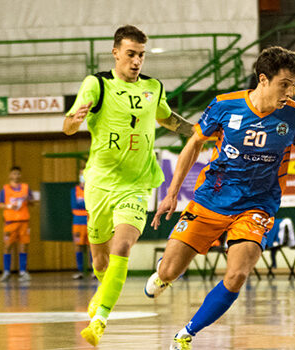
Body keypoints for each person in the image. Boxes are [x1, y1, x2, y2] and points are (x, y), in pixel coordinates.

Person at [143, 46, 295, 350]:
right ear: (263, 79)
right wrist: (172, 193)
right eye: (285, 84)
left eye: (293, 84)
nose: (290, 91)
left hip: (257, 205)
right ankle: (164, 274)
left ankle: (187, 333)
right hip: (211, 199)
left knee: (237, 274)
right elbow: (192, 146)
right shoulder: (225, 106)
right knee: (169, 271)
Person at [63, 25, 194, 346]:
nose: (136, 61)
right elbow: (67, 126)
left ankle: (100, 318)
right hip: (99, 184)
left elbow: (168, 118)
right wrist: (73, 121)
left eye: (141, 55)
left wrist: (200, 131)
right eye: (131, 54)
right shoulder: (97, 84)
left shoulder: (154, 87)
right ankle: (100, 292)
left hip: (136, 184)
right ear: (116, 53)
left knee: (121, 246)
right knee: (100, 261)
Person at [0, 166, 37, 282]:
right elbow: (0, 204)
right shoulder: (5, 189)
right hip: (10, 222)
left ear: (20, 175)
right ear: (10, 175)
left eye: (18, 174)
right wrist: (10, 206)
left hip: (24, 222)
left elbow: (32, 202)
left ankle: (23, 271)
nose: (16, 176)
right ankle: (6, 271)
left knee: (24, 246)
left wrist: (28, 200)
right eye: (14, 174)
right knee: (7, 246)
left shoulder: (26, 188)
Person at [70, 168, 90, 280]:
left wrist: (83, 203)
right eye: (81, 174)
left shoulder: (92, 189)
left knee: (92, 246)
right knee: (78, 246)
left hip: (90, 221)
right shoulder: (75, 190)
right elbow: (75, 205)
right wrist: (85, 203)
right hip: (78, 222)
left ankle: (94, 271)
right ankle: (80, 270)